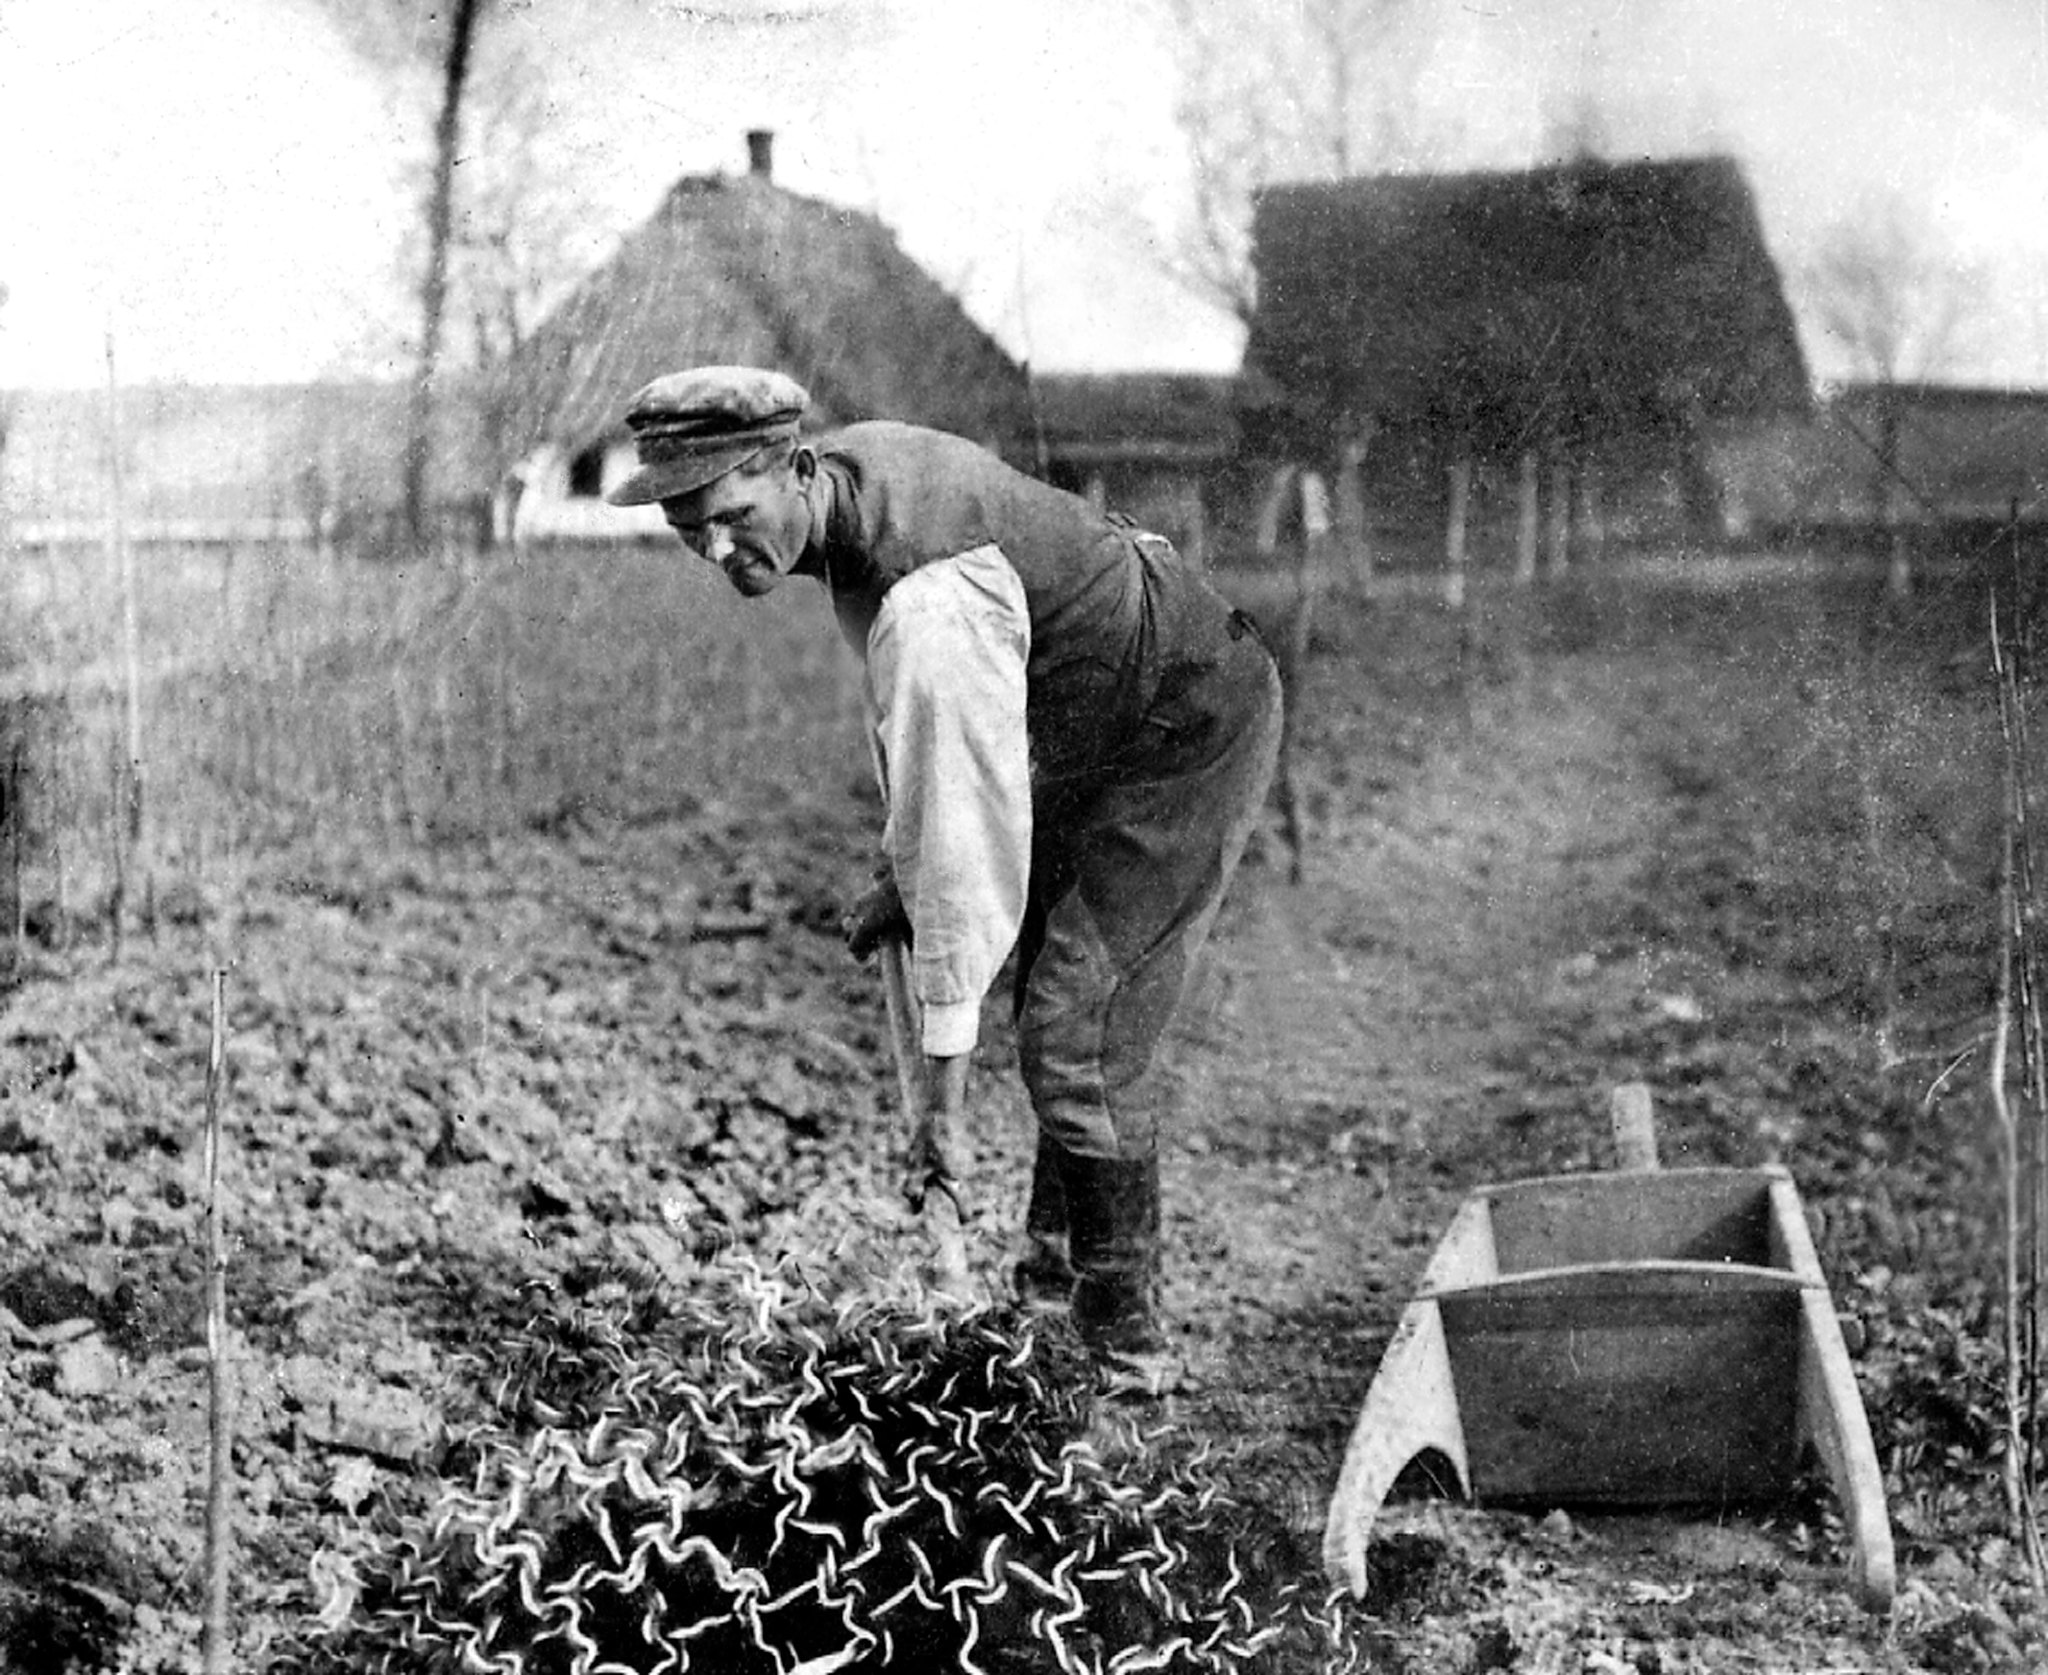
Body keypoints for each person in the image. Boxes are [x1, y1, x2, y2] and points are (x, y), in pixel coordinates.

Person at [608, 365, 1282, 1392]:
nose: (714, 550)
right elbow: (918, 752)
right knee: (1060, 1007)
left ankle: (1120, 1344)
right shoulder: (842, 492)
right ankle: (1049, 1284)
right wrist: (898, 871)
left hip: (1180, 725)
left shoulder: (930, 595)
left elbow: (957, 871)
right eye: (684, 527)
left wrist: (941, 1117)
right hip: (1075, 722)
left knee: (1073, 1023)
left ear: (787, 466)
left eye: (729, 516)